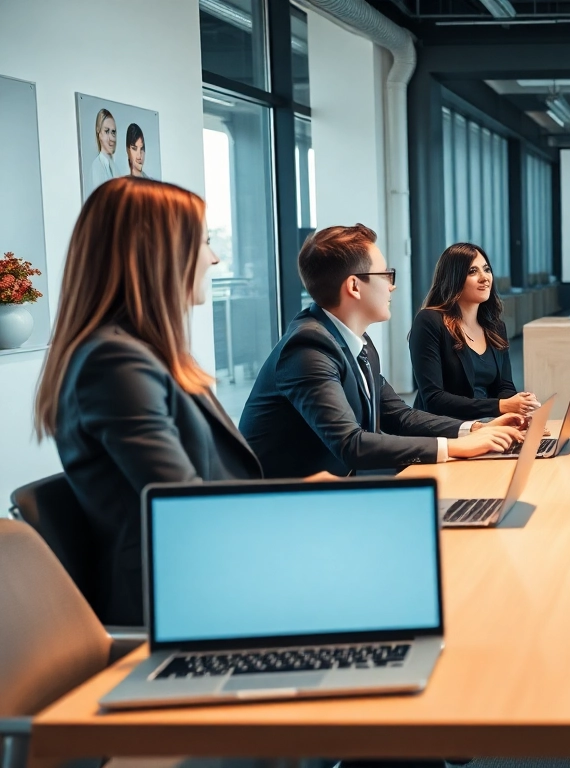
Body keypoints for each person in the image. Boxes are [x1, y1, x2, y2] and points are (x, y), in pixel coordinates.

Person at [34, 177, 261, 627]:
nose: (214, 258)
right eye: (204, 242)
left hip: (212, 576)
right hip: (179, 601)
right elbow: (186, 510)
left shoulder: (146, 353)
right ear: (159, 253)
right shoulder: (114, 362)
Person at [240, 224, 525, 478]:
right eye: (386, 274)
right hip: (283, 504)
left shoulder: (357, 341)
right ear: (354, 286)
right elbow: (352, 443)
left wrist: (476, 429)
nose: (392, 286)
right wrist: (454, 447)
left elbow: (400, 416)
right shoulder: (308, 348)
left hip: (332, 490)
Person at [410, 242, 539, 420]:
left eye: (486, 269)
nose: (484, 278)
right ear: (453, 278)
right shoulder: (429, 321)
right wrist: (501, 406)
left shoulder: (495, 327)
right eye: (472, 271)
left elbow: (504, 387)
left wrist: (519, 407)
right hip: (443, 429)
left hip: (486, 425)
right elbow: (434, 399)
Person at [88, 108, 118, 188]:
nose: (111, 138)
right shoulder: (96, 167)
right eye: (106, 131)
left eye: (113, 132)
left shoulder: (115, 167)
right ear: (98, 131)